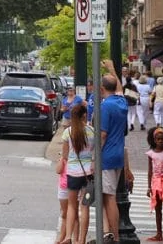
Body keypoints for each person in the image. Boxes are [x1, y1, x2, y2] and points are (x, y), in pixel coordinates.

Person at [99, 60, 133, 244]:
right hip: (118, 154)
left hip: (107, 156)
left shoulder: (106, 106)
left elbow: (102, 135)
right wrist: (112, 69)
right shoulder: (121, 102)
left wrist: (95, 156)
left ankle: (115, 236)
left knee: (109, 198)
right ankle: (109, 234)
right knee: (107, 196)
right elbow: (119, 88)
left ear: (102, 88)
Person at [59, 103, 94, 244]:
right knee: (84, 206)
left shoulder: (68, 132)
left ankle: (68, 237)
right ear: (85, 115)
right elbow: (94, 153)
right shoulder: (92, 131)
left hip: (72, 173)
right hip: (88, 174)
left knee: (71, 206)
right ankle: (81, 240)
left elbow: (66, 155)